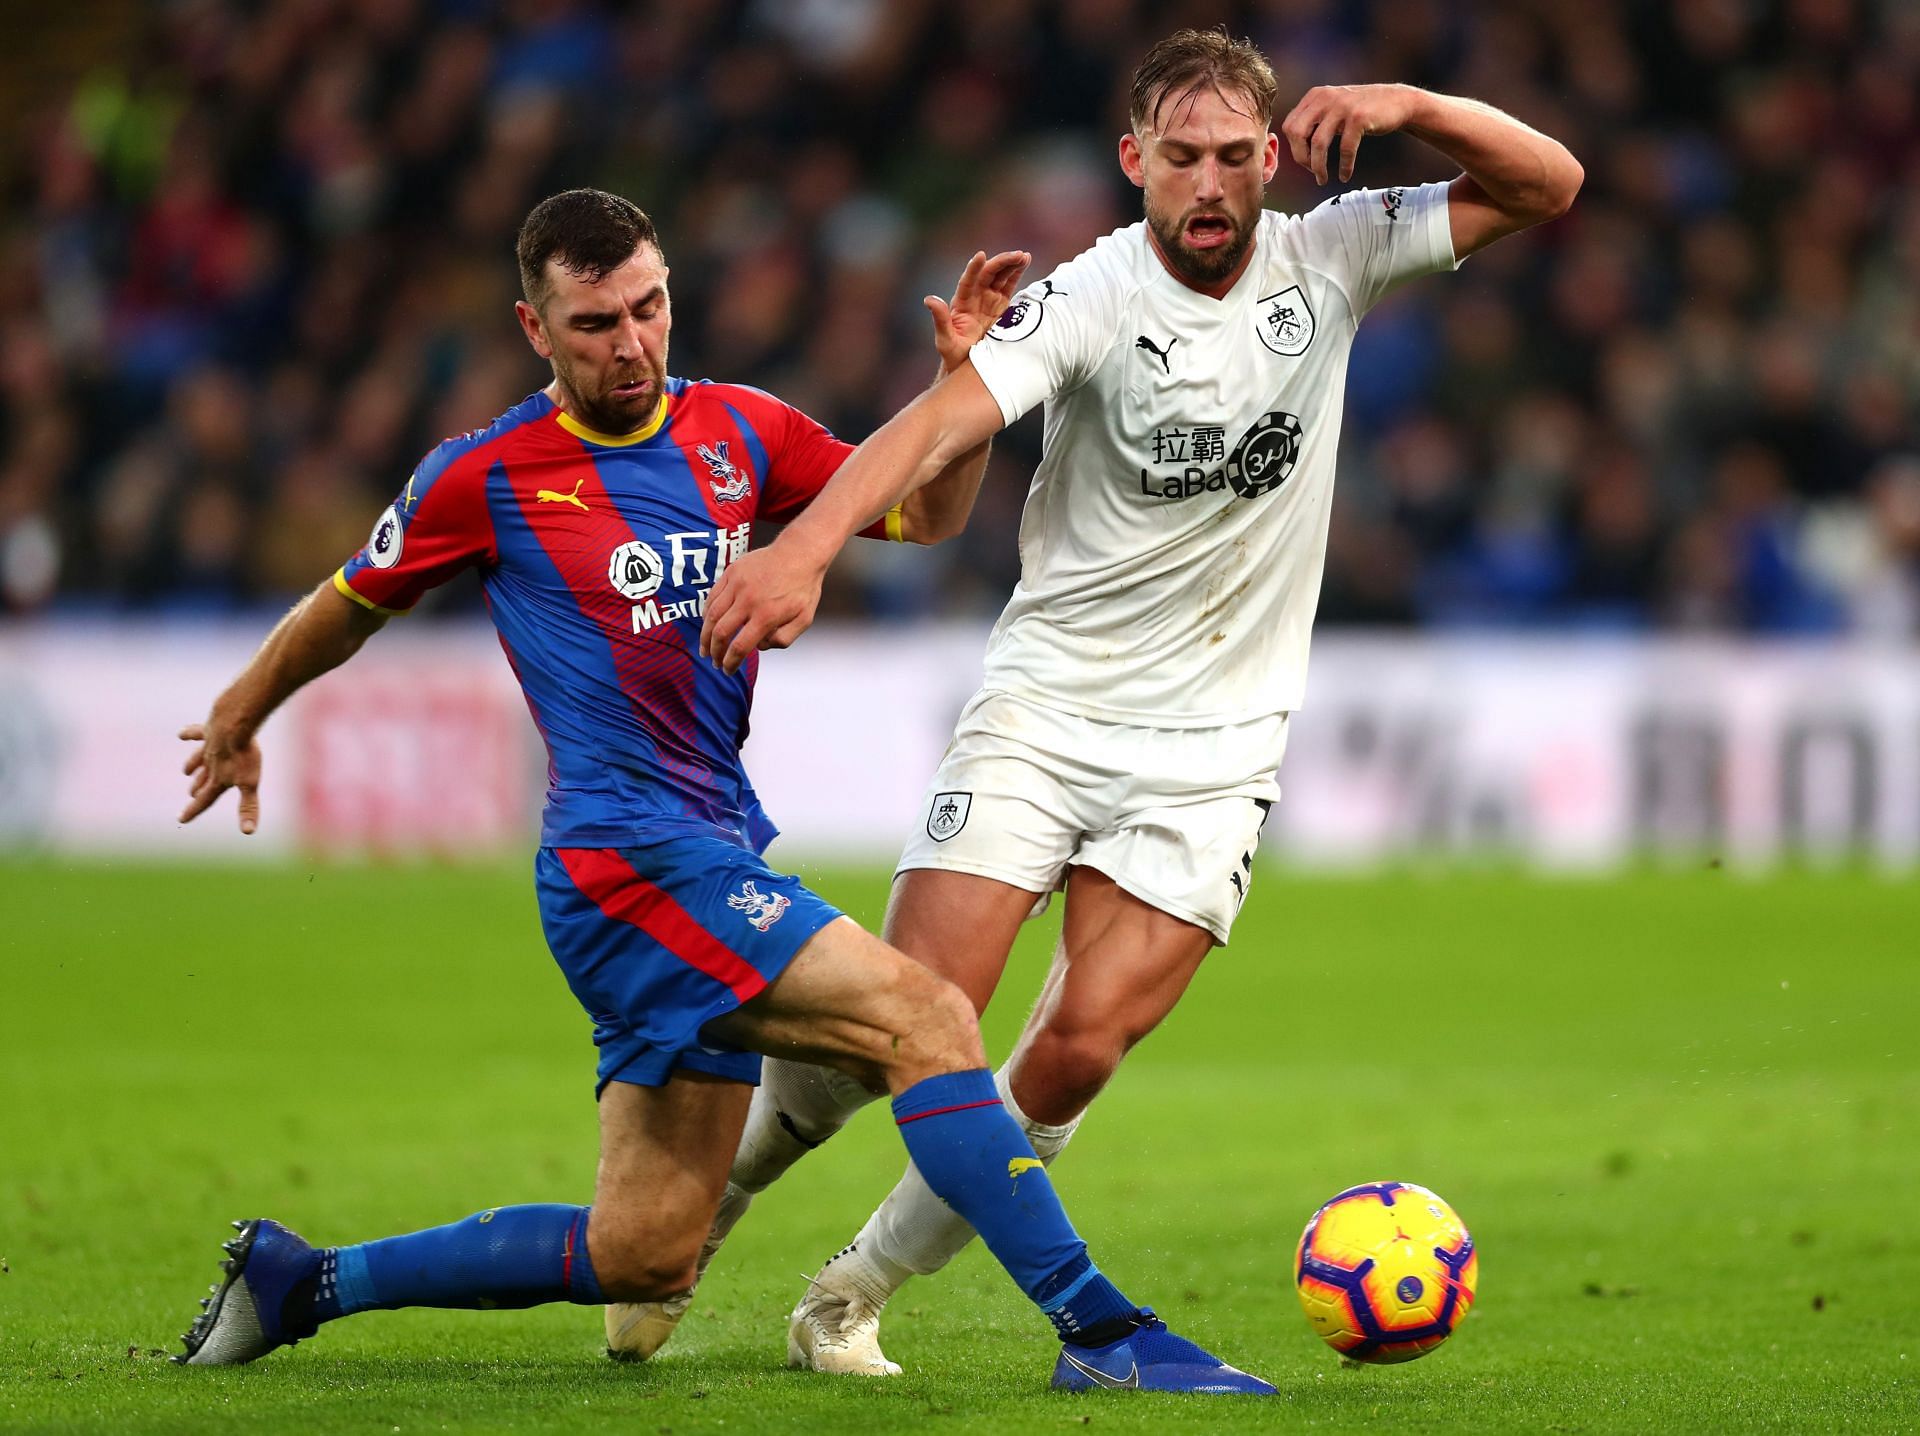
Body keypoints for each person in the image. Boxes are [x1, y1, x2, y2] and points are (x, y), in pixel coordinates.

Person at [170, 187, 1275, 1395]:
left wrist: (963, 394)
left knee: (644, 1248)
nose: (632, 342)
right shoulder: (485, 474)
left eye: (648, 307)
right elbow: (348, 602)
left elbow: (921, 515)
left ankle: (301, 1282)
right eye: (595, 323)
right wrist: (239, 712)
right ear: (536, 330)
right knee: (928, 1018)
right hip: (624, 865)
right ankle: (1102, 1332)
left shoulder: (738, 429)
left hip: (707, 849)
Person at [619, 28, 1581, 1375]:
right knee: (907, 1011)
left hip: (1215, 746)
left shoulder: (1335, 253)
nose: (1208, 183)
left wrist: (1413, 102)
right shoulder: (1088, 295)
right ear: (1133, 161)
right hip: (1048, 709)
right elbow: (939, 425)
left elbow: (1550, 183)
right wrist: (806, 544)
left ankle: (851, 1293)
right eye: (1179, 157)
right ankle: (700, 1213)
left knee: (1074, 1053)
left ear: (1270, 161)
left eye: (1236, 157)